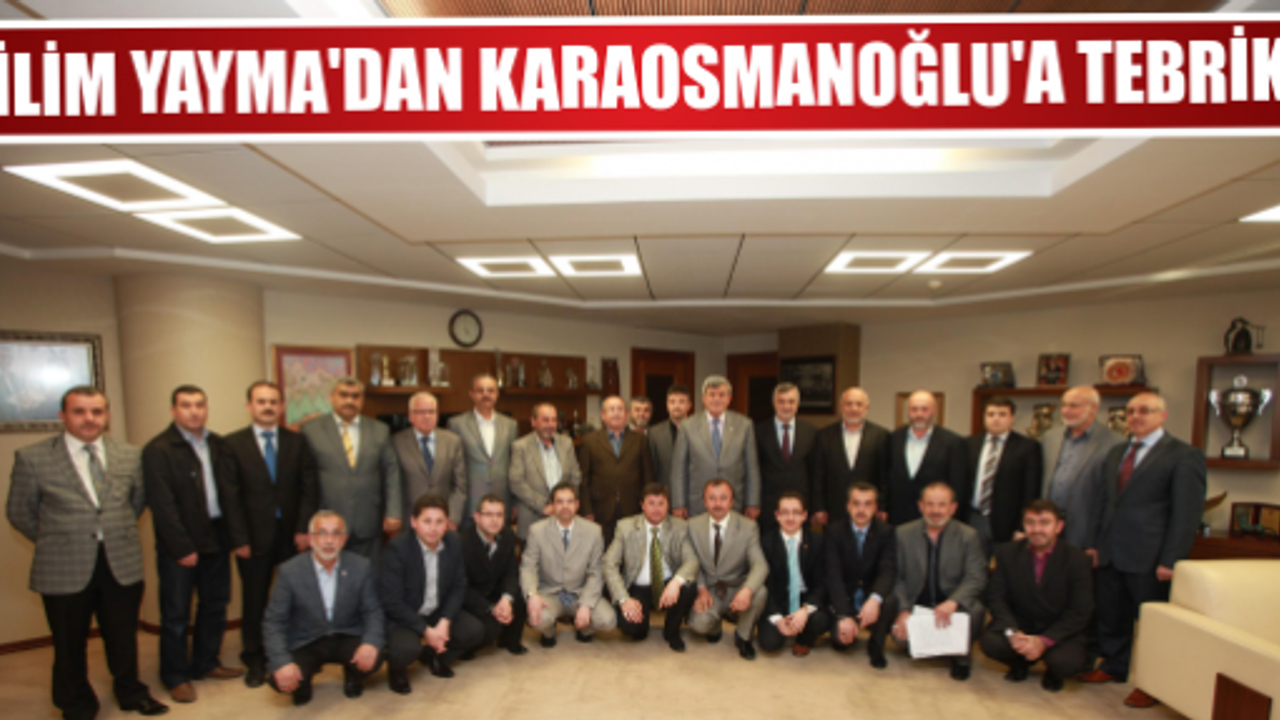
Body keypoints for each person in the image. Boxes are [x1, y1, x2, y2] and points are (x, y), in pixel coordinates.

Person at [6, 386, 169, 719]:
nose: (89, 418)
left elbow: (136, 502)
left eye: (97, 411)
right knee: (69, 642)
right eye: (79, 411)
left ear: (106, 415)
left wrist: (110, 531)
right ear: (62, 416)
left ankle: (130, 692)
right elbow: (20, 512)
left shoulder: (130, 455)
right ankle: (76, 702)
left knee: (123, 636)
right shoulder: (33, 457)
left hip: (120, 561)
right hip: (63, 566)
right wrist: (57, 539)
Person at [1081, 392, 1206, 709]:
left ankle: (1154, 683)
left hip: (1151, 557)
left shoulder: (1183, 455)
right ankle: (1113, 665)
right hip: (1111, 550)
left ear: (1162, 415)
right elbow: (1103, 502)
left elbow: (1186, 514)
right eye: (1131, 411)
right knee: (1112, 614)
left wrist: (1172, 559)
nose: (1136, 416)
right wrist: (1094, 544)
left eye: (1145, 411)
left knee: (1153, 625)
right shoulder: (1117, 452)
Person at [142, 385, 242, 703]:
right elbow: (162, 505)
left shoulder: (218, 444)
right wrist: (181, 547)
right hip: (180, 541)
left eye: (200, 404)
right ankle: (175, 676)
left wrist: (235, 537)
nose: (194, 411)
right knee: (176, 614)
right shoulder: (158, 449)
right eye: (186, 405)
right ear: (174, 410)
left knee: (214, 605)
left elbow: (231, 493)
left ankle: (206, 662)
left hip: (217, 535)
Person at [220, 380, 319, 689]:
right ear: (249, 406)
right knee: (255, 600)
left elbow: (309, 489)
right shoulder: (232, 444)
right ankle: (255, 658)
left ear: (281, 406)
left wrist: (303, 529)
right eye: (261, 401)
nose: (267, 407)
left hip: (292, 536)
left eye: (273, 402)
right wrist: (239, 539)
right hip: (252, 538)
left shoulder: (297, 442)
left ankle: (291, 652)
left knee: (294, 597)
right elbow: (230, 496)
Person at [263, 511, 383, 706]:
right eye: (321, 533)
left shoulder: (361, 567)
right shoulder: (289, 571)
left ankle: (353, 676)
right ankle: (303, 683)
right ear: (310, 539)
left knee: (374, 657)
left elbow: (373, 611)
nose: (329, 540)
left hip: (346, 635)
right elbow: (274, 622)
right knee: (280, 678)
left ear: (344, 539)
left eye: (336, 533)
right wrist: (281, 662)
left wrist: (370, 643)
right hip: (307, 640)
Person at [981, 499, 1094, 692]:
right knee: (991, 642)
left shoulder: (1077, 559)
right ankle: (1020, 663)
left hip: (1058, 630)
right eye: (1030, 523)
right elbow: (996, 597)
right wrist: (1013, 632)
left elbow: (1081, 610)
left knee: (1067, 662)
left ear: (1059, 526)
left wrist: (1044, 640)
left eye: (1045, 523)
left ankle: (1053, 672)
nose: (1037, 529)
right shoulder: (1007, 553)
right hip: (1021, 625)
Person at [381, 494, 485, 695]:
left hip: (436, 609)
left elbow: (458, 585)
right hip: (406, 614)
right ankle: (397, 671)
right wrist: (426, 631)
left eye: (439, 522)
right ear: (414, 522)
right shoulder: (397, 548)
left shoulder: (454, 541)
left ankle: (434, 656)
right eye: (426, 521)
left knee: (474, 631)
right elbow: (392, 601)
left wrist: (445, 621)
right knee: (406, 650)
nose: (433, 528)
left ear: (447, 524)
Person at [891, 482, 987, 681]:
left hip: (952, 606)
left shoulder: (968, 536)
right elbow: (895, 575)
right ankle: (934, 643)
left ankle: (961, 658)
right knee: (901, 641)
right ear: (921, 506)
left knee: (976, 609)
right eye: (930, 504)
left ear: (953, 508)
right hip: (918, 604)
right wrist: (904, 610)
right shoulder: (902, 533)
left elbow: (976, 576)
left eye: (942, 505)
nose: (935, 511)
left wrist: (954, 602)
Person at [300, 377, 401, 560]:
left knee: (368, 573)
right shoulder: (311, 430)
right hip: (327, 524)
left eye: (355, 396)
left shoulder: (380, 430)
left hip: (368, 521)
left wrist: (393, 512)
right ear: (332, 397)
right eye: (343, 395)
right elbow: (303, 479)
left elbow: (391, 472)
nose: (349, 400)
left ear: (362, 399)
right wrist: (302, 525)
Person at [603, 483, 699, 652]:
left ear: (668, 505)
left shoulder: (680, 527)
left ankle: (672, 630)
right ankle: (641, 624)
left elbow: (691, 560)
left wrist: (676, 582)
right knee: (632, 629)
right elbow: (609, 563)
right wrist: (624, 600)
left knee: (688, 587)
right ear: (642, 505)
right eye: (651, 503)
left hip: (667, 585)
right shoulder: (625, 527)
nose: (656, 509)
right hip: (638, 586)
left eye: (661, 503)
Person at [520, 482, 617, 646]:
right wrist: (532, 595)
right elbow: (528, 567)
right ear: (552, 505)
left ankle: (584, 628)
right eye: (559, 501)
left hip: (579, 591)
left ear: (577, 504)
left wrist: (586, 604)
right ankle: (549, 631)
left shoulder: (594, 531)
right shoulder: (537, 530)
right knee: (538, 619)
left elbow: (596, 571)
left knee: (608, 620)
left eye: (569, 501)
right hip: (549, 592)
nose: (565, 506)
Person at [686, 479, 769, 660]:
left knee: (760, 592)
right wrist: (701, 588)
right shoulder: (692, 526)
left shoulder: (748, 527)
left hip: (737, 585)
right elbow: (690, 561)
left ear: (732, 502)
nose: (718, 504)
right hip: (710, 588)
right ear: (704, 502)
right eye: (712, 498)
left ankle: (743, 636)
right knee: (699, 625)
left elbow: (760, 565)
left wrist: (747, 590)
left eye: (723, 498)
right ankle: (715, 625)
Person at [826, 482, 898, 669]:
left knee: (890, 600)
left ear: (875, 507)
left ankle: (876, 644)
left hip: (870, 598)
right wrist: (844, 614)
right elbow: (833, 576)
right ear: (848, 506)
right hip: (845, 598)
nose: (861, 509)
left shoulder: (886, 532)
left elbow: (887, 570)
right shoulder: (834, 531)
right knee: (841, 643)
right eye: (856, 503)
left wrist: (874, 599)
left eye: (867, 504)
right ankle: (847, 622)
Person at [959, 397, 1043, 557]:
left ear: (1012, 418)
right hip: (974, 519)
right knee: (973, 565)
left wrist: (1023, 526)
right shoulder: (969, 444)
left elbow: (1031, 490)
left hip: (1008, 522)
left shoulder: (1027, 447)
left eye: (1002, 414)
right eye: (991, 414)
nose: (996, 419)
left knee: (1006, 567)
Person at [670, 376, 761, 519]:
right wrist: (679, 503)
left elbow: (752, 467)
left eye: (721, 395)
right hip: (697, 504)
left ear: (729, 398)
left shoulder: (744, 425)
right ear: (703, 398)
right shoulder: (687, 426)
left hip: (734, 503)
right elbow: (679, 468)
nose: (716, 399)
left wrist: (752, 503)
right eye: (711, 395)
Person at [1043, 386, 1122, 549]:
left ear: (1093, 408)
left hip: (1085, 527)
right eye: (1064, 405)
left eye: (1074, 406)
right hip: (1047, 523)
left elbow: (1111, 495)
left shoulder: (1114, 442)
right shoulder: (1050, 437)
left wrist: (1098, 542)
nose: (1066, 410)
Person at [757, 492, 830, 656]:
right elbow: (764, 585)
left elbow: (822, 582)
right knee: (769, 643)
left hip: (805, 600)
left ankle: (804, 639)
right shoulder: (765, 543)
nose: (790, 518)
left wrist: (805, 610)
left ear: (804, 515)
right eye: (785, 512)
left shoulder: (817, 541)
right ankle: (785, 626)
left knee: (821, 620)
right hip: (778, 601)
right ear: (777, 515)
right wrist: (777, 618)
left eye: (796, 512)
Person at [580, 395, 655, 546]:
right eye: (611, 409)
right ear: (602, 415)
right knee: (604, 552)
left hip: (632, 508)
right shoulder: (589, 441)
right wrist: (587, 510)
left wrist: (648, 505)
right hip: (601, 510)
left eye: (620, 409)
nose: (616, 413)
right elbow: (584, 478)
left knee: (632, 552)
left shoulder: (640, 440)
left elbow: (648, 476)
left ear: (627, 414)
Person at [885, 391, 968, 526]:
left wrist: (954, 518)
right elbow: (886, 477)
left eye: (924, 409)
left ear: (934, 410)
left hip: (936, 517)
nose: (919, 414)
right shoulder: (893, 439)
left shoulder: (953, 443)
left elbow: (958, 485)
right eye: (914, 409)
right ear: (908, 411)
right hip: (898, 517)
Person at [460, 494, 528, 655]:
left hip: (494, 590)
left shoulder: (508, 536)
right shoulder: (462, 542)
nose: (494, 520)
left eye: (499, 515)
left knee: (519, 595)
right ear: (477, 517)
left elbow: (511, 572)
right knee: (489, 630)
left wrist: (506, 598)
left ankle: (509, 641)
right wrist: (490, 608)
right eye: (488, 514)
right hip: (472, 599)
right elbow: (462, 588)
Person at [813, 387, 891, 527]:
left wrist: (882, 506)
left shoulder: (881, 436)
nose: (853, 409)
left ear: (866, 408)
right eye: (849, 404)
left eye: (859, 404)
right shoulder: (824, 435)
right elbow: (818, 475)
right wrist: (819, 507)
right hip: (834, 509)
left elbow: (884, 475)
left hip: (868, 508)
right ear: (841, 407)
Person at [392, 392, 467, 528]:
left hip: (444, 521)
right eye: (421, 412)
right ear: (411, 416)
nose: (427, 416)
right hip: (410, 520)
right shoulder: (396, 442)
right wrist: (395, 516)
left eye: (431, 412)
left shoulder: (453, 441)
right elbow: (393, 486)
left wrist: (453, 518)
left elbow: (459, 485)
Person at [755, 383, 822, 534]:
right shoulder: (758, 431)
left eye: (791, 401)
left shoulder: (811, 432)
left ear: (798, 404)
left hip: (800, 507)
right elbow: (754, 470)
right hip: (768, 508)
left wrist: (814, 508)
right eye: (781, 401)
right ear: (774, 403)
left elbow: (815, 473)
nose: (786, 406)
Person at [448, 373, 518, 516]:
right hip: (470, 501)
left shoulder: (511, 425)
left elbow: (514, 465)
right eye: (480, 390)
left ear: (497, 394)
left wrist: (515, 502)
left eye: (491, 390)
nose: (486, 394)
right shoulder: (456, 424)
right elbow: (452, 468)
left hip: (502, 500)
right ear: (471, 394)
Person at [509, 402, 581, 539]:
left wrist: (564, 504)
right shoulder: (520, 446)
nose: (550, 424)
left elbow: (575, 476)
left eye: (554, 420)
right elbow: (516, 482)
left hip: (563, 518)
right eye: (545, 420)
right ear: (533, 422)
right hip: (532, 517)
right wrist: (543, 505)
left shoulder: (566, 443)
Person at [648, 384, 691, 488]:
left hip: (692, 491)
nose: (676, 406)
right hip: (664, 492)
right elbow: (652, 468)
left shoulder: (699, 431)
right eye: (672, 402)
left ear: (689, 405)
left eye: (681, 401)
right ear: (667, 405)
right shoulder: (654, 433)